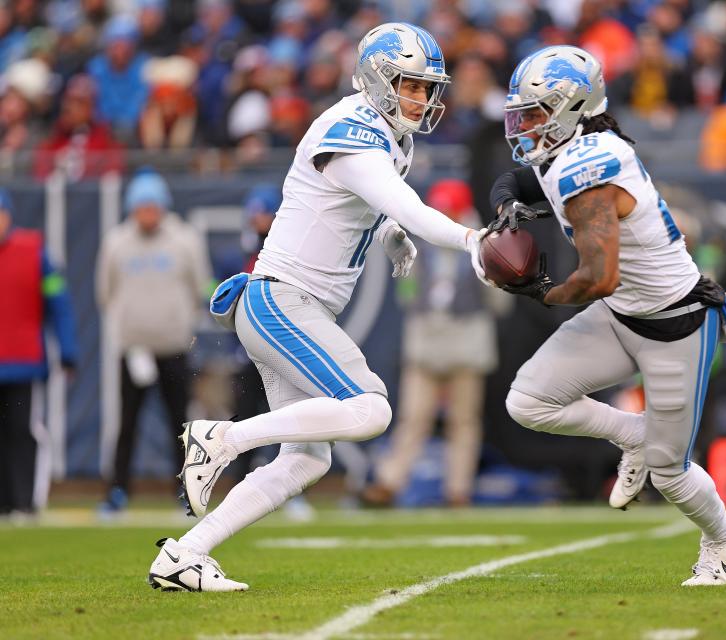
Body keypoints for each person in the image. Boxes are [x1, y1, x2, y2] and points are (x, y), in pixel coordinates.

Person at [148, 23, 486, 592]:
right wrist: (471, 239)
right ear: (378, 79)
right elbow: (402, 200)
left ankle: (183, 555)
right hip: (282, 301)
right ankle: (224, 439)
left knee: (307, 459)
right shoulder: (352, 129)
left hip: (288, 304)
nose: (423, 99)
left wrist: (389, 235)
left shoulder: (385, 135)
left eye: (428, 88)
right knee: (371, 409)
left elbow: (362, 205)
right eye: (411, 84)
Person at [488, 45, 726, 586]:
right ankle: (632, 433)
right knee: (528, 400)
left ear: (572, 108)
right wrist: (505, 209)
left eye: (536, 113)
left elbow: (598, 278)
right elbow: (512, 184)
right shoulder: (575, 150)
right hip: (621, 314)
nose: (525, 125)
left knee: (670, 472)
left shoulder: (590, 166)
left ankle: (724, 534)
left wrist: (539, 291)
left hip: (674, 323)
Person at [362, 179, 509, 508]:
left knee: (464, 420)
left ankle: (458, 490)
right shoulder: (421, 241)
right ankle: (390, 482)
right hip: (427, 340)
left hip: (466, 340)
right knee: (414, 417)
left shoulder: (484, 243)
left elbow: (499, 303)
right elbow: (407, 293)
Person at [96, 171, 214, 513]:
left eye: (152, 207)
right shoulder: (116, 242)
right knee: (126, 425)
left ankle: (187, 493)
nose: (147, 213)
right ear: (132, 209)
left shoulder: (184, 240)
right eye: (141, 207)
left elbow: (200, 286)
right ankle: (117, 492)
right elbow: (105, 293)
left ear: (162, 207)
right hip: (133, 350)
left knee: (181, 426)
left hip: (174, 348)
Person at [0, 189, 77, 518]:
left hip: (23, 363)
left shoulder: (34, 253)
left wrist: (67, 350)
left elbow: (59, 304)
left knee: (23, 431)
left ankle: (25, 502)